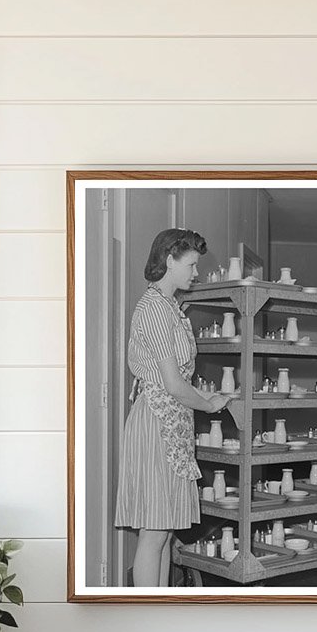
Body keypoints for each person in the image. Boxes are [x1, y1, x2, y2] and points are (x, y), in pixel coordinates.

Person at [115, 228, 233, 587]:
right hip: (156, 421)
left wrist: (204, 401)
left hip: (173, 422)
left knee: (164, 532)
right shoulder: (153, 308)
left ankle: (160, 607)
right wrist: (209, 404)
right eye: (192, 264)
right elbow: (173, 384)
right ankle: (147, 620)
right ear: (170, 259)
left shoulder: (171, 308)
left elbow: (179, 383)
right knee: (153, 532)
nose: (196, 273)